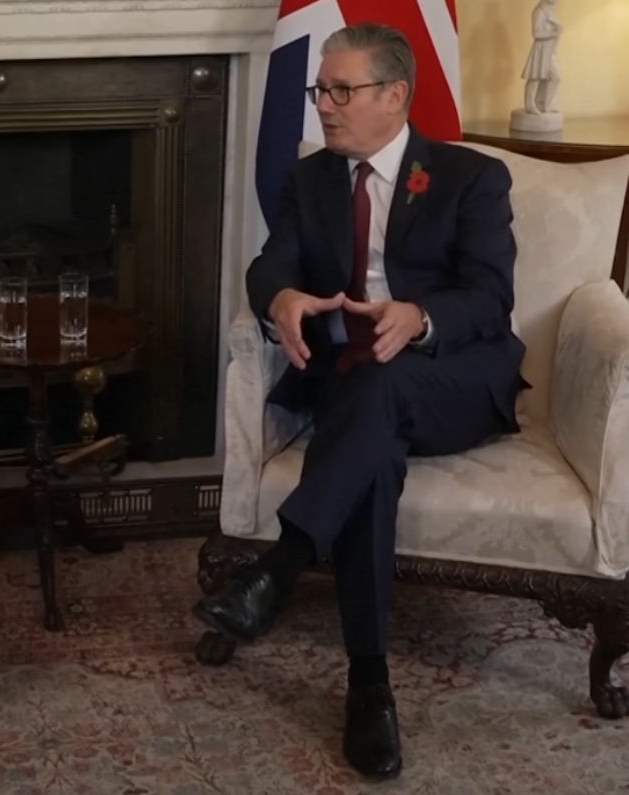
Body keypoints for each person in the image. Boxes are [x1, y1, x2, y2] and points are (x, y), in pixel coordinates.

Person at [193, 23, 526, 780]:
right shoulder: (308, 179)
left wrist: (421, 316)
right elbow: (267, 266)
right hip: (353, 383)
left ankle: (281, 564)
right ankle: (369, 684)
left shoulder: (471, 177)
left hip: (453, 380)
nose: (325, 107)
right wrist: (278, 298)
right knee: (369, 451)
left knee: (379, 385)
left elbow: (491, 298)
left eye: (341, 91)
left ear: (394, 95)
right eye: (321, 90)